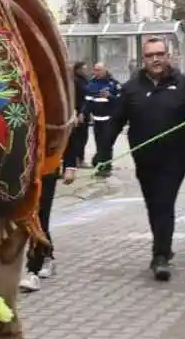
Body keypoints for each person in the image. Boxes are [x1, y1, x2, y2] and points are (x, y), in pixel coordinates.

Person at [112, 38, 185, 281]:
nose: (156, 59)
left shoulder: (183, 83)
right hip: (145, 158)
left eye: (160, 54)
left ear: (167, 56)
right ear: (143, 59)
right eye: (150, 55)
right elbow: (115, 121)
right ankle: (164, 245)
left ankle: (159, 256)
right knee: (154, 204)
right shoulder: (131, 89)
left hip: (175, 157)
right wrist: (104, 151)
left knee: (164, 201)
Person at [20, 137, 81, 293]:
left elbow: (67, 128)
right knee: (21, 218)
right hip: (20, 165)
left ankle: (33, 270)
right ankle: (47, 255)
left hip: (47, 165)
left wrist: (70, 165)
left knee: (39, 217)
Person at [84, 62, 124, 175]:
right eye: (95, 70)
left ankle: (104, 165)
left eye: (99, 70)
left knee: (107, 143)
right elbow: (87, 102)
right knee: (99, 143)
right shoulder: (91, 84)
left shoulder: (114, 84)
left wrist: (109, 97)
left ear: (105, 70)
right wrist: (83, 113)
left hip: (110, 120)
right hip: (97, 120)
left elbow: (121, 101)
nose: (96, 72)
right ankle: (101, 165)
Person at [68, 61, 90, 166]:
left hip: (85, 111)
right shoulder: (75, 81)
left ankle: (80, 158)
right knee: (78, 137)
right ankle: (77, 159)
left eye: (85, 68)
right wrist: (79, 113)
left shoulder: (85, 80)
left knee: (84, 137)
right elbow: (76, 98)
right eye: (83, 69)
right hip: (78, 111)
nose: (85, 70)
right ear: (77, 70)